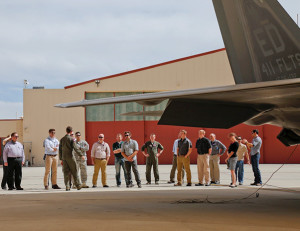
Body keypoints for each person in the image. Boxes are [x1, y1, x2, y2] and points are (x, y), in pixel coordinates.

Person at [59, 126, 82, 191]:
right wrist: (81, 154)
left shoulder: (62, 139)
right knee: (74, 171)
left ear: (66, 131)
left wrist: (61, 158)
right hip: (71, 157)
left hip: (64, 158)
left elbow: (60, 150)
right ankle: (78, 185)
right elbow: (76, 148)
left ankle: (67, 186)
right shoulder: (72, 139)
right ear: (71, 131)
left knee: (66, 172)